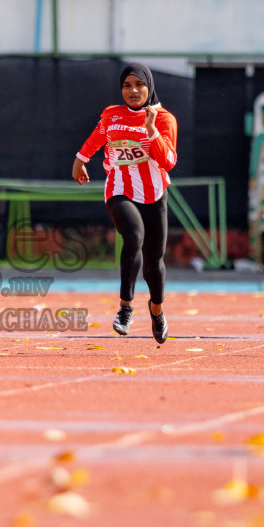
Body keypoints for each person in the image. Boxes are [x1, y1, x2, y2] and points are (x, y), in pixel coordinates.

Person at [72, 63, 179, 344]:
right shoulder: (111, 115)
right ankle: (125, 307)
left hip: (154, 193)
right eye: (127, 85)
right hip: (119, 188)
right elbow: (97, 138)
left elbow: (168, 162)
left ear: (149, 86)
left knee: (154, 260)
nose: (133, 91)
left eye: (139, 85)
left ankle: (157, 311)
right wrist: (81, 160)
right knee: (133, 236)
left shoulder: (164, 118)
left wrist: (151, 130)